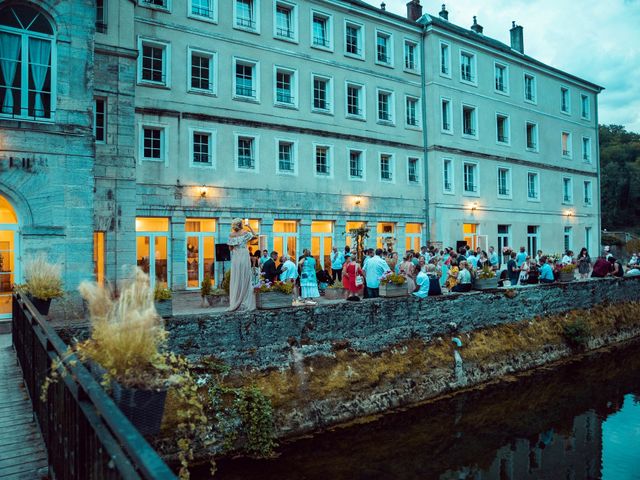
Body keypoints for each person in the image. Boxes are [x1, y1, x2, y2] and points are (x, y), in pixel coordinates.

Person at [227, 218, 257, 311]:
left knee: (237, 277)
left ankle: (236, 300)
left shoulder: (231, 235)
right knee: (245, 277)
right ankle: (244, 299)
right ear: (241, 225)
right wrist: (249, 226)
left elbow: (230, 249)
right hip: (244, 256)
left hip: (236, 257)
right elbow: (255, 235)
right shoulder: (245, 233)